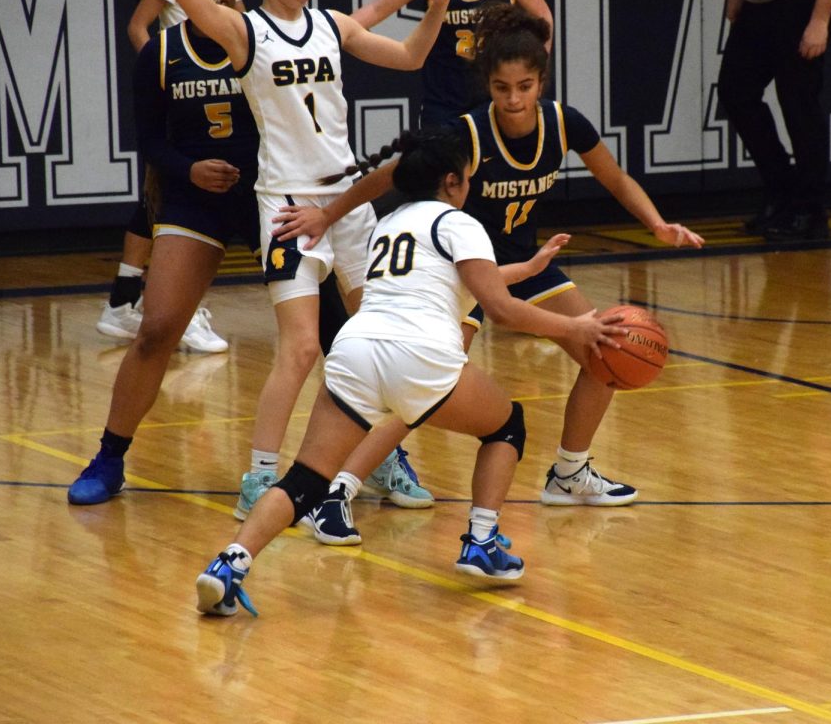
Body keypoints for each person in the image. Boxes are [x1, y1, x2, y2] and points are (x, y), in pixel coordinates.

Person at [273, 3, 704, 544]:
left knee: (604, 347)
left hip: (525, 265)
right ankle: (338, 493)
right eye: (502, 88)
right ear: (489, 87)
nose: (515, 99)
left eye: (525, 86)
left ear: (541, 81)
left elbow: (616, 179)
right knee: (423, 391)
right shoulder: (468, 135)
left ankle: (570, 472)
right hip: (463, 274)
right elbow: (387, 176)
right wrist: (326, 213)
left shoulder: (565, 123)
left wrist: (658, 223)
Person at [195, 129, 628, 616]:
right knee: (507, 426)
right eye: (468, 177)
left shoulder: (391, 223)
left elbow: (455, 278)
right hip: (419, 354)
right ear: (451, 181)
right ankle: (481, 542)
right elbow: (500, 309)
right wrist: (577, 326)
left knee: (304, 479)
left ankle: (229, 563)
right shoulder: (460, 224)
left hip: (355, 351)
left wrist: (527, 269)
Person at [104, 0, 446, 519]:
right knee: (302, 348)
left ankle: (380, 459)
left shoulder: (333, 25)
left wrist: (436, 6)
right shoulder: (246, 32)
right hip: (288, 205)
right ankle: (260, 476)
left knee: (380, 343)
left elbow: (412, 55)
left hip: (348, 203)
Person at [68, 0, 261, 504]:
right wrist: (190, 170)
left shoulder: (259, 39)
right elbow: (149, 141)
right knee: (156, 331)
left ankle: (380, 458)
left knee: (326, 330)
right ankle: (108, 458)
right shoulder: (158, 54)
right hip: (193, 201)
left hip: (263, 197)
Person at [97, 0, 243, 353]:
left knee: (173, 201)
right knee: (166, 198)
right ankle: (174, 306)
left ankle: (127, 297)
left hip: (221, 102)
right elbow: (138, 25)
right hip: (185, 99)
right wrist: (161, 73)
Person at [719, 0, 831, 241]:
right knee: (736, 92)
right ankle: (782, 190)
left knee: (798, 103)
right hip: (755, 6)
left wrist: (820, 21)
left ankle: (810, 209)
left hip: (798, 8)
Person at [351, 0, 552, 127]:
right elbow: (378, 8)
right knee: (436, 156)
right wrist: (333, 28)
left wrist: (536, 72)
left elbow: (543, 17)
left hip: (493, 98)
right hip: (444, 99)